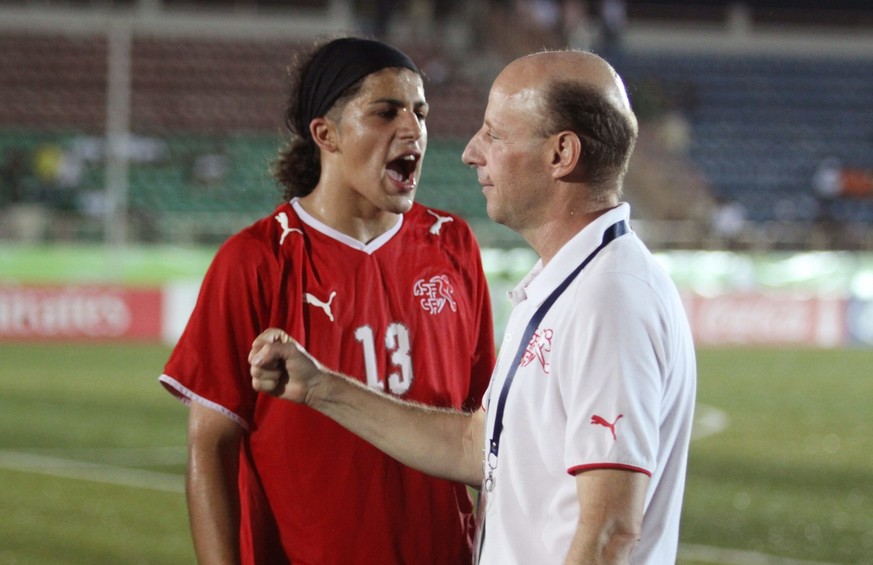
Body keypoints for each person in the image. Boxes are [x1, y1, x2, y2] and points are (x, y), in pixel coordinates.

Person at [250, 49, 697, 564]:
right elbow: (472, 446)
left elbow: (610, 532)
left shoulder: (609, 299)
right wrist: (320, 386)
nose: (470, 152)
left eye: (495, 134)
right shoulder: (566, 282)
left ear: (561, 155)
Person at [159, 36, 496, 564]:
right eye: (386, 112)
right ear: (326, 134)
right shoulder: (256, 261)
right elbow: (211, 445)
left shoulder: (453, 244)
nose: (413, 129)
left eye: (420, 112)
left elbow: (484, 429)